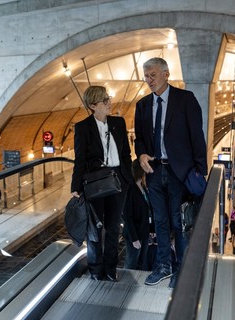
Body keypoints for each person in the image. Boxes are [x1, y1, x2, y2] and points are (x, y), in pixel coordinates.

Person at [134, 57, 208, 288]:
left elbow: (197, 137)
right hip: (155, 172)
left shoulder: (186, 100)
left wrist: (200, 172)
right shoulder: (142, 105)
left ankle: (182, 270)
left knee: (179, 222)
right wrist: (142, 155)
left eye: (153, 75)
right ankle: (163, 266)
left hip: (180, 172)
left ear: (166, 74)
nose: (149, 80)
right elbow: (140, 139)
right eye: (146, 76)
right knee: (160, 221)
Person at [71, 85, 132, 282]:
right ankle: (96, 269)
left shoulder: (119, 123)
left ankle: (110, 269)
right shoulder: (83, 128)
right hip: (96, 183)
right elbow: (80, 160)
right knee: (95, 228)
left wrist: (127, 177)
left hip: (118, 182)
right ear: (92, 105)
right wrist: (76, 187)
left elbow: (126, 154)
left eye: (108, 98)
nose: (109, 103)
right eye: (104, 100)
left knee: (113, 227)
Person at [122, 159, 152, 270]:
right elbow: (127, 217)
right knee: (131, 263)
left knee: (141, 263)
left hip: (144, 233)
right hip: (134, 235)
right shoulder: (130, 189)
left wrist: (151, 230)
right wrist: (134, 239)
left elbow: (147, 210)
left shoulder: (143, 186)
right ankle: (125, 285)